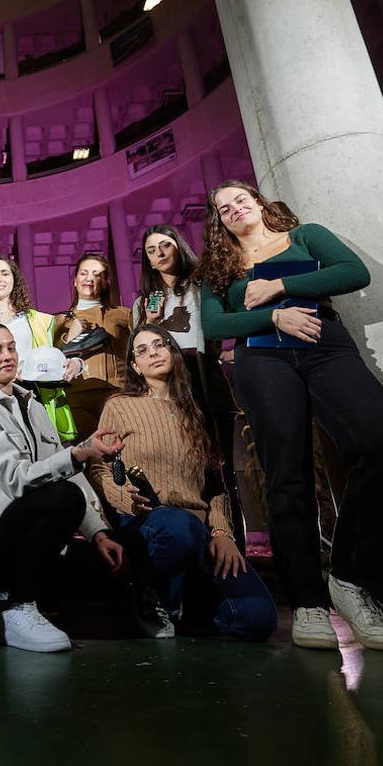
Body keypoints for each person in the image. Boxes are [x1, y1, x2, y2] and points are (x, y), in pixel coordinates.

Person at [199, 180, 383, 651]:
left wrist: (280, 285)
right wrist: (274, 316)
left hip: (324, 345)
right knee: (286, 475)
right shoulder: (219, 269)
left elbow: (353, 272)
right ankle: (307, 603)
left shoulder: (305, 236)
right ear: (219, 222)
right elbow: (215, 325)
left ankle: (355, 580)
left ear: (258, 202)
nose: (233, 209)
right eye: (222, 209)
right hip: (263, 359)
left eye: (239, 199)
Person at [88, 325, 277, 641]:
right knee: (177, 529)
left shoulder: (196, 412)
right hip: (148, 522)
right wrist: (124, 498)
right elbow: (99, 467)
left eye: (160, 345)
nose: (153, 353)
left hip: (197, 528)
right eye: (143, 350)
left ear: (173, 352)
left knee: (257, 620)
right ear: (134, 366)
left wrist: (221, 532)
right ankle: (142, 590)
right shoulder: (119, 405)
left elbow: (214, 485)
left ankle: (188, 602)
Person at [0, 322, 125, 652]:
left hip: (25, 526)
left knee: (109, 553)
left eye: (11, 348)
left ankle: (21, 600)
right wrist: (77, 453)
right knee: (64, 496)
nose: (7, 356)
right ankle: (12, 603)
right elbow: (17, 480)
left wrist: (99, 533)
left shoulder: (31, 404)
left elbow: (64, 467)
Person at [133, 224, 242, 538]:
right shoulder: (144, 302)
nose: (160, 254)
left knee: (220, 469)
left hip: (204, 375)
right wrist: (149, 323)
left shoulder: (202, 284)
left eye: (165, 245)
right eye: (151, 250)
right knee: (183, 468)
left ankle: (232, 543)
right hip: (168, 383)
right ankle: (194, 543)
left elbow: (220, 326)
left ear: (178, 246)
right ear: (147, 261)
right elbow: (138, 348)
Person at [0, 255, 80, 442]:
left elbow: (58, 362)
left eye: (5, 273)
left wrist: (75, 364)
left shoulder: (41, 321)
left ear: (14, 279)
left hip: (32, 399)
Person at [53, 253, 131, 438]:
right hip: (76, 395)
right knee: (90, 454)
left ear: (106, 281)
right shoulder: (58, 320)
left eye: (97, 274)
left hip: (117, 392)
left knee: (122, 449)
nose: (89, 278)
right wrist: (69, 337)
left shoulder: (124, 314)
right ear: (75, 280)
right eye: (84, 273)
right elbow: (52, 358)